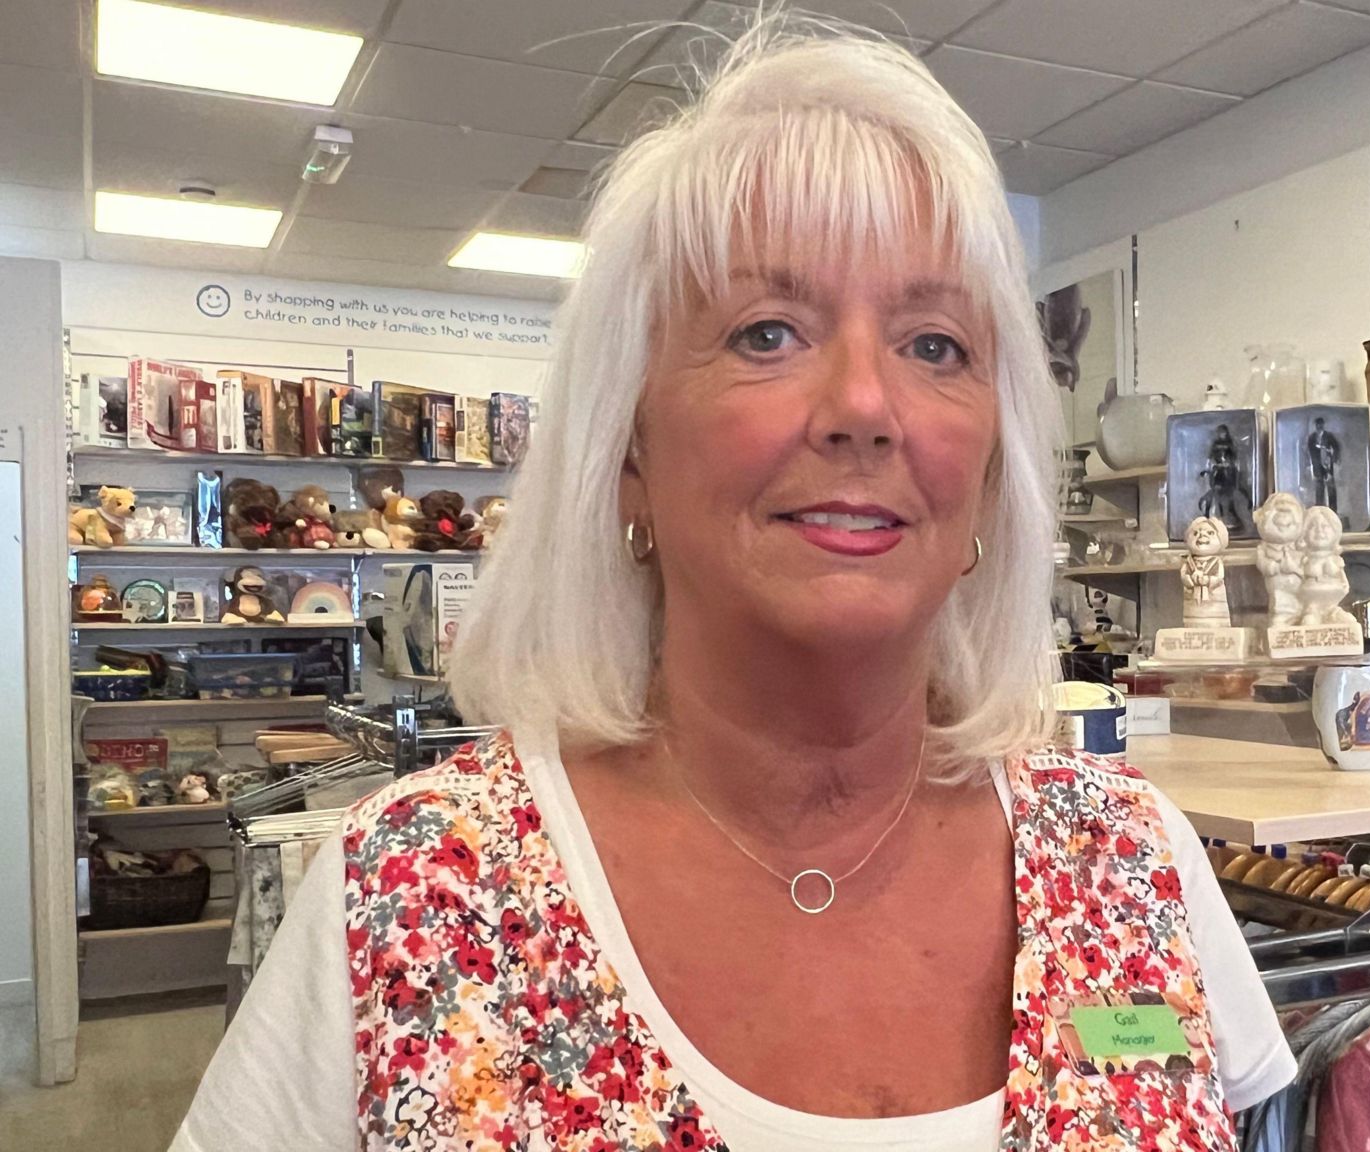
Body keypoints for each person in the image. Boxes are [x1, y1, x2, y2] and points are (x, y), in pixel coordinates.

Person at [172, 17, 1292, 1152]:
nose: (865, 404)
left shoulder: (1127, 860)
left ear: (991, 471)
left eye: (935, 345)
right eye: (768, 332)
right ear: (626, 453)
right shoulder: (410, 900)